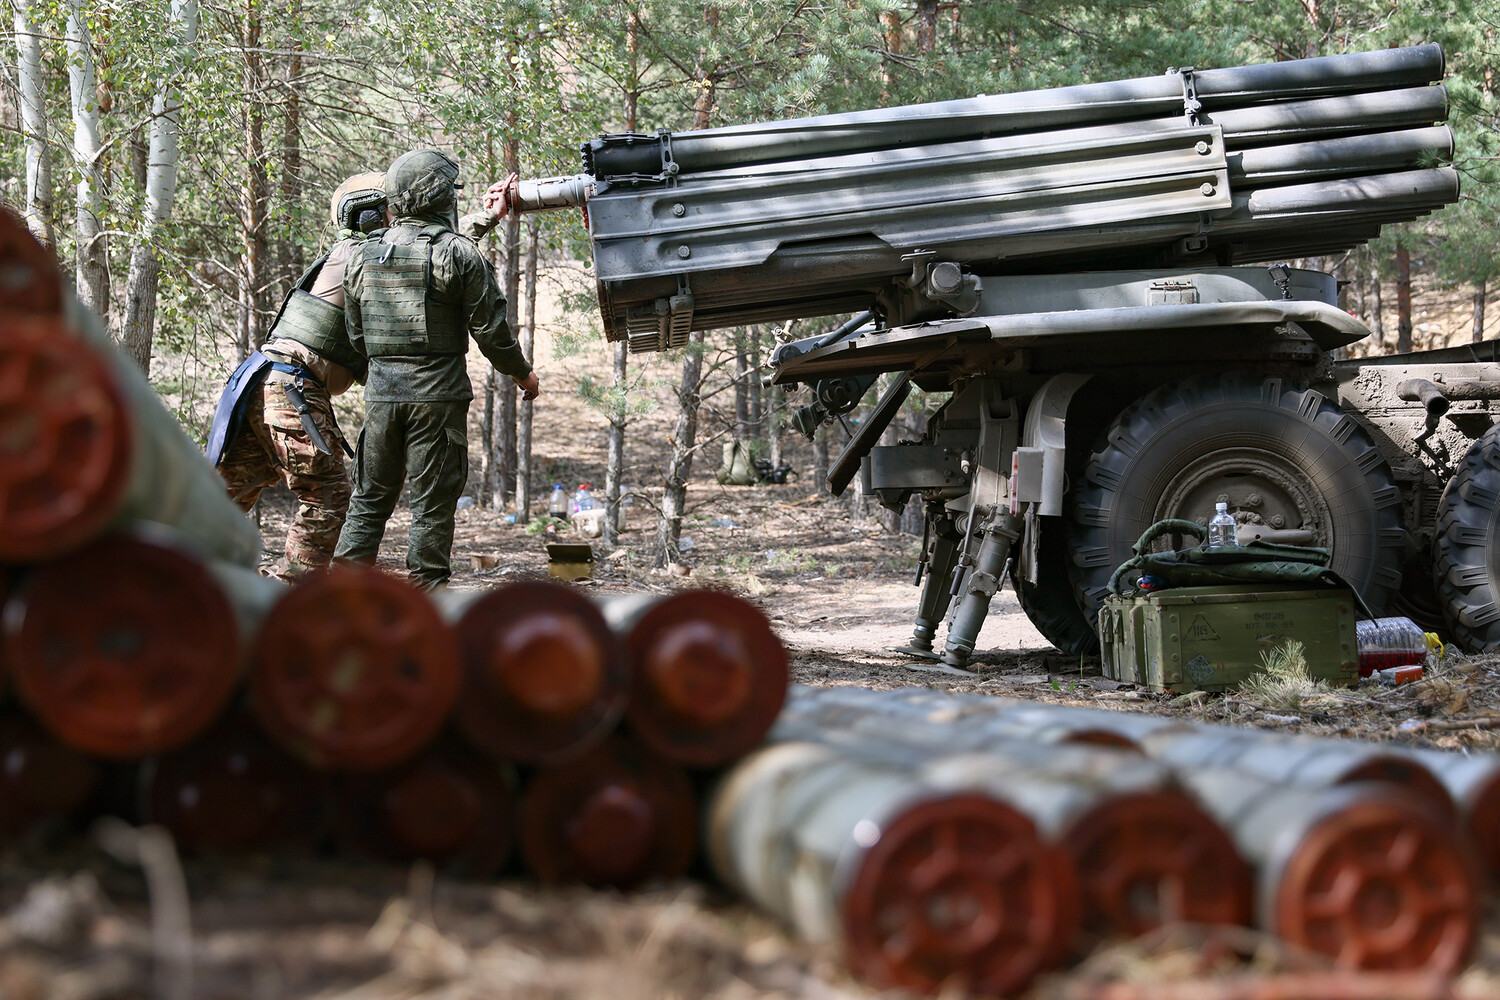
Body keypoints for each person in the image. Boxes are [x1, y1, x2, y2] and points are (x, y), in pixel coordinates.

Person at [332, 148, 540, 589]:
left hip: (382, 399)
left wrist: (384, 379)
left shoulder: (361, 256)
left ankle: (332, 608)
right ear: (441, 197)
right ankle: (426, 610)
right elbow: (492, 333)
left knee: (368, 504)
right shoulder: (458, 254)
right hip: (438, 401)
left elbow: (355, 336)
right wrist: (524, 375)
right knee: (430, 507)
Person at [206, 173, 387, 578]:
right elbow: (439, 260)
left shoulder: (350, 253)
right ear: (373, 216)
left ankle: (176, 578)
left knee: (224, 497)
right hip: (290, 385)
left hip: (262, 381)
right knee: (328, 497)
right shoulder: (367, 256)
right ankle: (284, 596)